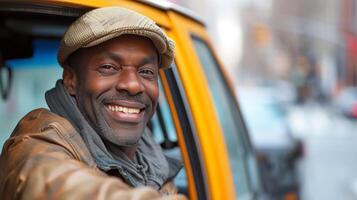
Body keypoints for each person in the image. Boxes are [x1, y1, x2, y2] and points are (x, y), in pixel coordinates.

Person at [0, 7, 186, 200]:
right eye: (108, 67)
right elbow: (56, 184)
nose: (132, 85)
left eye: (146, 72)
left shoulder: (149, 157)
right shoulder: (35, 142)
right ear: (71, 79)